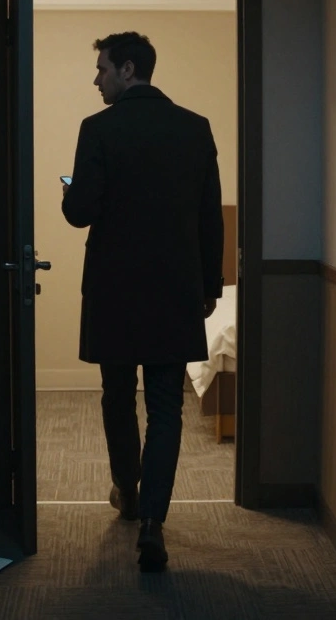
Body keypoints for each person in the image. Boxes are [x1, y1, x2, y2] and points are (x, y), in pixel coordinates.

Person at [61, 31, 223, 572]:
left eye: (102, 69)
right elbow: (210, 218)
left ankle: (127, 495)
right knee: (166, 407)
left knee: (116, 395)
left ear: (128, 70)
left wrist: (71, 190)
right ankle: (153, 522)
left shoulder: (99, 130)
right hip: (174, 291)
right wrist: (209, 289)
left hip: (114, 292)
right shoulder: (195, 129)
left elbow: (80, 212)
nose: (96, 79)